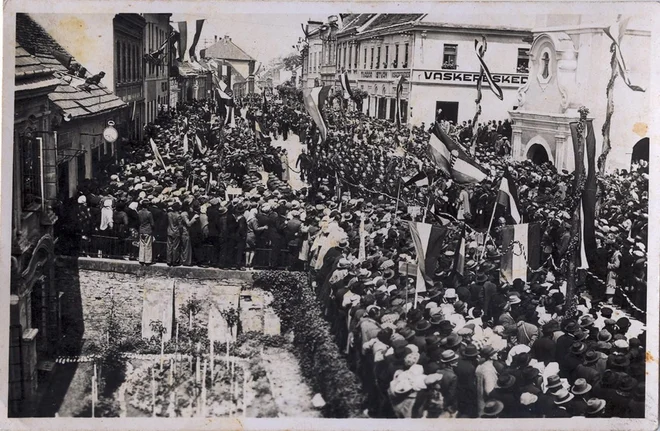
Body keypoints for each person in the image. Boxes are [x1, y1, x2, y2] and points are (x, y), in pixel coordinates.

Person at [137, 200, 155, 265]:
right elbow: (152, 223)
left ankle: (141, 259)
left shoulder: (139, 212)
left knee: (142, 245)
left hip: (141, 230)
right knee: (148, 246)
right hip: (148, 230)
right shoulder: (149, 213)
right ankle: (147, 260)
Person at [167, 201, 183, 266]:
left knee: (169, 247)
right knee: (175, 247)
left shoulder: (169, 214)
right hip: (176, 231)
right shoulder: (178, 216)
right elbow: (180, 225)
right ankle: (175, 260)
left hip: (169, 230)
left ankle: (169, 260)